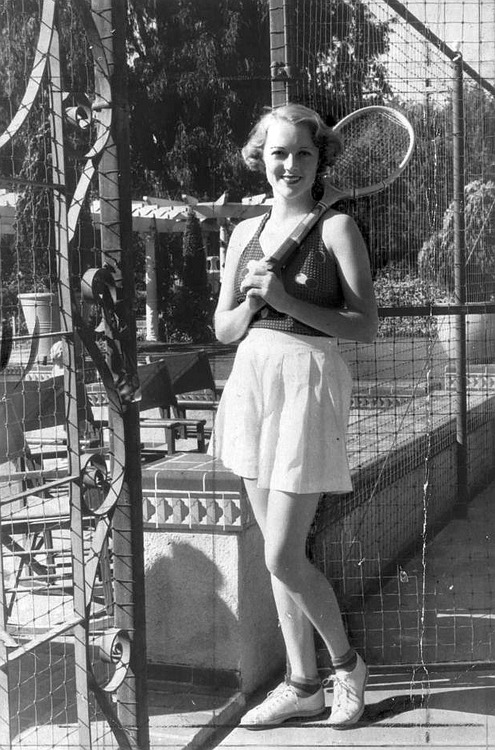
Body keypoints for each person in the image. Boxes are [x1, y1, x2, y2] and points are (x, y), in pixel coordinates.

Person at [209, 103, 378, 729]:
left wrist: (283, 297)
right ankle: (302, 684)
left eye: (303, 153)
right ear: (261, 158)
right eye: (278, 153)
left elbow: (365, 326)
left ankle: (348, 668)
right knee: (277, 553)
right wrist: (255, 305)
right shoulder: (244, 233)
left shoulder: (337, 228)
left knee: (283, 555)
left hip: (309, 383)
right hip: (253, 382)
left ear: (319, 159)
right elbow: (224, 328)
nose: (290, 165)